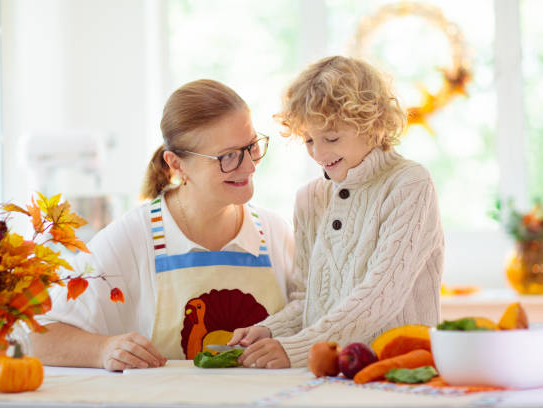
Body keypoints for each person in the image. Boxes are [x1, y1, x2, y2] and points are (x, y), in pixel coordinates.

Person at [32, 79, 293, 371]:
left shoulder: (275, 232)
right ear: (177, 164)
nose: (249, 166)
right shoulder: (133, 237)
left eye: (251, 146)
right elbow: (35, 335)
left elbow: (316, 323)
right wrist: (103, 349)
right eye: (227, 157)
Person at [229, 56, 444, 369]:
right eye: (309, 140)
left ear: (373, 125)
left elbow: (380, 296)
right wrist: (269, 329)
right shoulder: (310, 198)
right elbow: (307, 300)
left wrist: (298, 347)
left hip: (399, 370)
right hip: (329, 370)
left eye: (331, 138)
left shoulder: (409, 184)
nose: (319, 154)